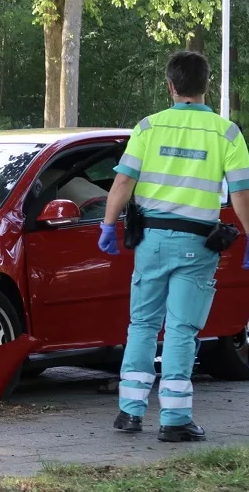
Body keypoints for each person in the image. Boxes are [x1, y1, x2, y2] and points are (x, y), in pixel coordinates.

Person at [98, 50, 249, 442]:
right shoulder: (227, 132)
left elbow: (123, 183)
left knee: (142, 324)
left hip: (150, 241)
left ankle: (129, 413)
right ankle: (175, 419)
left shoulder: (148, 128)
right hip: (197, 244)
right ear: (206, 85)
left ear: (170, 85)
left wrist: (108, 225)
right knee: (182, 329)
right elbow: (241, 195)